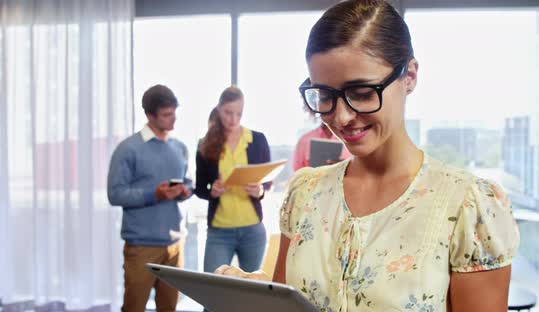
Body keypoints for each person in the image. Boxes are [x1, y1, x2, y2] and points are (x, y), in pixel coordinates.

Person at [214, 1, 520, 311]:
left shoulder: (468, 206)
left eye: (361, 92)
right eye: (325, 95)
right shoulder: (304, 194)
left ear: (409, 76)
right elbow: (287, 304)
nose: (342, 117)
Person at [107, 85, 193, 312]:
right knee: (134, 307)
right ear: (149, 115)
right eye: (166, 115)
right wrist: (154, 194)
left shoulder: (180, 148)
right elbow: (115, 193)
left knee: (169, 308)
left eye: (174, 112)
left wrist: (184, 191)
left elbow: (188, 183)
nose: (173, 119)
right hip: (142, 246)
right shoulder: (128, 149)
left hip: (175, 244)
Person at [195, 86, 271, 275]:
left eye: (239, 114)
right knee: (212, 293)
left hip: (253, 230)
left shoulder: (257, 140)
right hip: (219, 231)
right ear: (219, 109)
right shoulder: (205, 144)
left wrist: (260, 190)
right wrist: (211, 191)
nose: (233, 119)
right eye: (228, 113)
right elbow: (199, 188)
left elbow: (267, 182)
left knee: (251, 293)